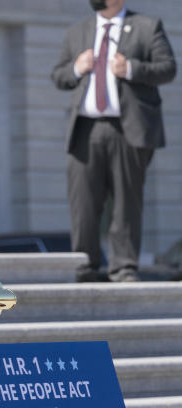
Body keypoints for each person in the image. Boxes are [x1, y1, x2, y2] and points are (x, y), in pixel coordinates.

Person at [51, 0, 176, 282]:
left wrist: (130, 68)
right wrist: (76, 68)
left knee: (126, 201)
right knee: (83, 202)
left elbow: (168, 68)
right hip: (86, 128)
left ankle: (124, 267)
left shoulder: (147, 27)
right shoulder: (77, 31)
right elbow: (58, 76)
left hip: (128, 128)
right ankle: (86, 266)